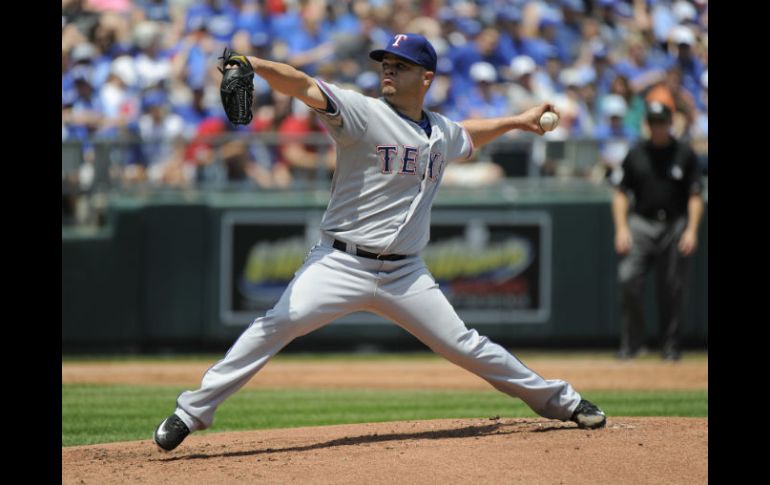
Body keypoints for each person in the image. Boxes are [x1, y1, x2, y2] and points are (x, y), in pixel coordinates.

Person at [153, 33, 607, 452]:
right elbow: (301, 84)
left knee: (466, 345)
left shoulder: (440, 131)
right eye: (385, 63)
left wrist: (517, 122)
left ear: (426, 78)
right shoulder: (362, 113)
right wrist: (250, 62)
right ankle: (190, 412)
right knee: (276, 324)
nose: (388, 70)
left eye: (401, 65)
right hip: (339, 262)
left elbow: (468, 136)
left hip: (405, 274)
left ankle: (564, 402)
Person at [611, 101, 704, 361]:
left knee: (673, 287)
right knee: (628, 278)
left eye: (661, 122)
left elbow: (695, 196)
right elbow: (620, 193)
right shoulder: (636, 153)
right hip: (641, 222)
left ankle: (670, 346)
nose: (657, 128)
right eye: (652, 123)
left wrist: (692, 231)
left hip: (675, 224)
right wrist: (621, 229)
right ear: (647, 125)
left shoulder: (683, 153)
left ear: (669, 123)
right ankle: (632, 344)